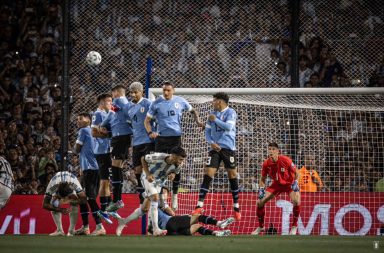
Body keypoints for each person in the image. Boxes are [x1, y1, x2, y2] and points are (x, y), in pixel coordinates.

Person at [144, 81, 204, 211]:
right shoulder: (156, 103)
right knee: (159, 167)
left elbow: (193, 111)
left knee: (177, 165)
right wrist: (150, 132)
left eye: (168, 90)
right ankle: (160, 197)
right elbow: (147, 121)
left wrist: (198, 121)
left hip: (176, 137)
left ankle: (175, 195)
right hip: (161, 139)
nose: (166, 92)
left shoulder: (180, 101)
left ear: (173, 90)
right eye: (164, 90)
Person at [192, 92, 241, 221]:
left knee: (232, 175)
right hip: (215, 148)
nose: (212, 103)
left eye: (214, 101)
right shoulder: (211, 115)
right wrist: (211, 142)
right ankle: (199, 205)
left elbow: (229, 127)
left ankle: (236, 206)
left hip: (228, 148)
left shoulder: (231, 112)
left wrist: (216, 120)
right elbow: (207, 132)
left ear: (220, 101)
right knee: (208, 173)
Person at [116, 186, 234, 237]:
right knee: (197, 216)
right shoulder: (156, 201)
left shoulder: (158, 205)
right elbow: (172, 214)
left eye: (167, 193)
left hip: (170, 231)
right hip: (171, 223)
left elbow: (149, 227)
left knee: (197, 226)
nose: (166, 194)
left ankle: (216, 233)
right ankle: (219, 224)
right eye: (165, 192)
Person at [134, 146, 187, 236]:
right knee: (154, 198)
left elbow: (175, 171)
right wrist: (148, 174)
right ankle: (155, 229)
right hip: (149, 179)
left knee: (145, 209)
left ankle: (125, 222)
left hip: (159, 183)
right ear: (174, 156)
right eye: (180, 159)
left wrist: (172, 174)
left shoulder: (179, 164)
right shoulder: (159, 157)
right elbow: (143, 158)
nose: (181, 162)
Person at [251, 143, 301, 235]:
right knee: (259, 202)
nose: (271, 151)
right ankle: (261, 227)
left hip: (289, 184)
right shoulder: (266, 163)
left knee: (297, 200)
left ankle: (294, 226)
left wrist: (296, 182)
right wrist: (261, 189)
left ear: (278, 151)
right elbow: (262, 178)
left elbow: (297, 172)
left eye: (273, 149)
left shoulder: (286, 160)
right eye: (269, 149)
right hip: (276, 185)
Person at [73, 112, 109, 236]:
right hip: (90, 168)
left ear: (88, 120)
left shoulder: (84, 131)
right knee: (82, 198)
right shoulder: (94, 132)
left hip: (90, 169)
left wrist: (75, 149)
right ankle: (85, 227)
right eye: (77, 119)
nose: (78, 121)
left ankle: (99, 226)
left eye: (80, 119)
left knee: (89, 198)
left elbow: (77, 149)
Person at [100, 85, 132, 212]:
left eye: (112, 93)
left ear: (117, 92)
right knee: (117, 167)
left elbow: (110, 114)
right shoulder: (125, 104)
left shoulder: (119, 101)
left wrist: (101, 124)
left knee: (115, 167)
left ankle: (117, 200)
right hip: (123, 137)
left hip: (120, 137)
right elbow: (114, 115)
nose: (112, 96)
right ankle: (117, 199)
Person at [126, 82, 155, 206]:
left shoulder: (148, 103)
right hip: (136, 142)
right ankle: (141, 193)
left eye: (135, 92)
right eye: (131, 92)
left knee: (147, 167)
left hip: (148, 141)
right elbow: (129, 123)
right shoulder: (129, 107)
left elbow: (155, 119)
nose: (133, 94)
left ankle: (152, 192)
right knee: (137, 170)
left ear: (142, 92)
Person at [91, 93, 117, 219]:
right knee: (104, 181)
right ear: (101, 102)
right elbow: (94, 132)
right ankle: (103, 210)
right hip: (101, 152)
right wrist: (109, 135)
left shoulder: (108, 114)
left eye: (111, 101)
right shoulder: (98, 114)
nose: (110, 104)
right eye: (108, 101)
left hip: (107, 151)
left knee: (107, 182)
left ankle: (108, 207)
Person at [42, 171, 86, 236]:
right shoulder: (52, 186)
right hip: (57, 185)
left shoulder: (74, 183)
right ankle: (60, 230)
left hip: (70, 182)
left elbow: (84, 199)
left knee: (75, 200)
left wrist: (71, 201)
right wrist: (60, 210)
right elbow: (45, 205)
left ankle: (71, 230)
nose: (63, 200)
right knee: (53, 203)